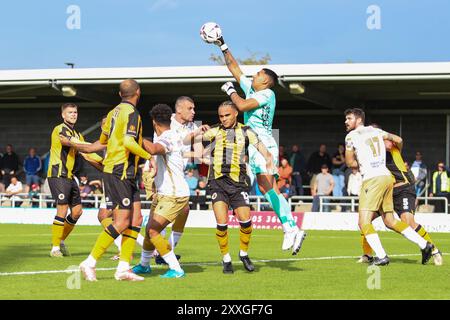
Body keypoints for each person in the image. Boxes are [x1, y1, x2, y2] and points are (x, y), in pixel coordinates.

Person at [211, 33, 306, 255]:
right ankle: (290, 227)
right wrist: (222, 44)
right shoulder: (254, 88)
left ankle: (292, 228)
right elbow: (234, 68)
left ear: (265, 81)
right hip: (255, 145)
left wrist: (230, 91)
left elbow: (242, 107)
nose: (254, 74)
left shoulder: (267, 94)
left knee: (269, 187)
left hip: (264, 142)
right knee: (266, 189)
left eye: (259, 73)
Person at [75, 79, 151, 282]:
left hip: (122, 171)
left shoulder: (112, 113)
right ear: (138, 92)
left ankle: (123, 268)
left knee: (136, 219)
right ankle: (90, 261)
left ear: (120, 94)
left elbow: (102, 142)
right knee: (122, 221)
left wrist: (81, 147)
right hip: (120, 171)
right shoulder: (132, 113)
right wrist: (149, 157)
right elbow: (128, 141)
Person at [344, 108, 434, 266]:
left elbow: (350, 162)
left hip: (372, 179)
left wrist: (363, 161)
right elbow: (397, 139)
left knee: (363, 222)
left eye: (349, 118)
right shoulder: (377, 131)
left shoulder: (351, 136)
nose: (346, 121)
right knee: (390, 221)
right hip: (386, 177)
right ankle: (424, 245)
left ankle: (381, 256)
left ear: (359, 120)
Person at [193, 101, 275, 273]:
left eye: (227, 115)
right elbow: (196, 138)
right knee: (222, 223)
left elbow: (262, 148)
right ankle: (226, 259)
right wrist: (201, 154)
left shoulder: (246, 131)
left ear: (236, 113)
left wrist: (268, 160)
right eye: (221, 116)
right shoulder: (215, 130)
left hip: (238, 184)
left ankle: (243, 254)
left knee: (246, 222)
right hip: (217, 183)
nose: (223, 119)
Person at [357, 127, 443, 266]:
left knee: (408, 221)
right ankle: (368, 254)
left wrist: (386, 135)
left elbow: (399, 140)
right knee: (364, 220)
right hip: (386, 190)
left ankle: (433, 249)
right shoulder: (373, 155)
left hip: (403, 188)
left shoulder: (395, 148)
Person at [132, 104, 191, 278]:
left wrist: (133, 136)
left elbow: (153, 149)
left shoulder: (167, 137)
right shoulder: (171, 135)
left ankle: (176, 269)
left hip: (173, 195)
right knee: (149, 230)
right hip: (164, 193)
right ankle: (144, 265)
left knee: (152, 231)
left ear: (154, 122)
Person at [47, 103, 100, 258]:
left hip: (70, 177)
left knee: (77, 212)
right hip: (58, 175)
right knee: (62, 209)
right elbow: (69, 142)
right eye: (70, 112)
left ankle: (60, 240)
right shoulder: (60, 129)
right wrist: (92, 146)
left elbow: (87, 154)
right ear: (63, 115)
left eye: (75, 112)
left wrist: (105, 163)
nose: (73, 115)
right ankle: (55, 248)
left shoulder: (77, 134)